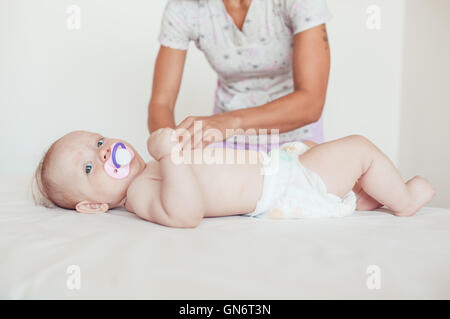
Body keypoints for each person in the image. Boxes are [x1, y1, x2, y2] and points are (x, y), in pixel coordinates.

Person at [32, 129, 435, 228]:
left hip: (278, 166)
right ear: (92, 205)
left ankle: (359, 200)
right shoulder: (138, 193)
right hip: (283, 185)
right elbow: (185, 214)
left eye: (99, 141)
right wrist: (171, 154)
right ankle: (404, 201)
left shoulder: (151, 168)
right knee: (359, 149)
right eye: (89, 168)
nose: (103, 152)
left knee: (319, 149)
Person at [149, 0, 333, 151]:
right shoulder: (183, 9)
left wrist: (229, 123)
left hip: (296, 136)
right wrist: (172, 150)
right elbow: (161, 103)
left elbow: (311, 102)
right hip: (226, 141)